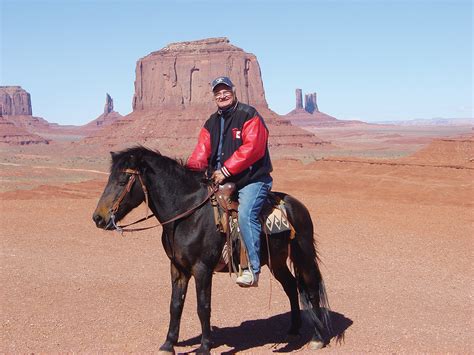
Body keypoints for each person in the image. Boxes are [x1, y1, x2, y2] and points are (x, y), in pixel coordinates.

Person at [187, 76, 273, 287]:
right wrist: (188, 173)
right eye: (218, 93)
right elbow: (201, 152)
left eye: (226, 91)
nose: (222, 95)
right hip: (220, 180)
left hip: (251, 179)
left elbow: (253, 148)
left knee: (245, 214)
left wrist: (226, 170)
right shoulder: (211, 122)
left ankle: (252, 269)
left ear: (234, 92)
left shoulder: (249, 115)